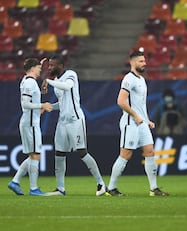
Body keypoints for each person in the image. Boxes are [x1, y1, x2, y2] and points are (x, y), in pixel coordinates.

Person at [107, 50, 169, 197]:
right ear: (133, 62)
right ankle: (111, 188)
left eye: (144, 61)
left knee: (150, 152)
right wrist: (135, 115)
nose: (144, 63)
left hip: (141, 123)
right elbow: (121, 101)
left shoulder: (141, 79)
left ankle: (153, 188)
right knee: (125, 154)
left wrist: (146, 120)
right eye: (141, 61)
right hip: (130, 122)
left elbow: (140, 104)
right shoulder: (129, 79)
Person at [43, 55, 107, 196]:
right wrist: (48, 107)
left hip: (75, 120)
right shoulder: (56, 80)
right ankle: (60, 188)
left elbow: (68, 87)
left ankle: (101, 184)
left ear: (60, 65)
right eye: (49, 65)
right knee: (59, 154)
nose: (50, 68)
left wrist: (48, 81)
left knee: (82, 152)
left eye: (52, 65)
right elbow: (62, 103)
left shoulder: (70, 75)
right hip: (62, 122)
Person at [8, 58, 53, 196]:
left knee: (33, 155)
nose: (41, 70)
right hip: (30, 124)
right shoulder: (30, 82)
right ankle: (33, 189)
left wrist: (41, 109)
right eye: (39, 68)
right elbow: (25, 104)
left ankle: (15, 182)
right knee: (36, 155)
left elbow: (30, 105)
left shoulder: (26, 80)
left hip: (30, 122)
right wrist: (42, 105)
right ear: (33, 68)